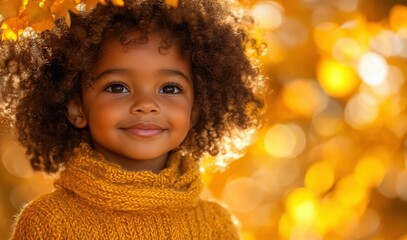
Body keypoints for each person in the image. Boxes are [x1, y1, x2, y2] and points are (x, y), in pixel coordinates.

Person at [0, 0, 265, 239]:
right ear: (77, 107)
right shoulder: (48, 222)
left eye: (170, 88)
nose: (146, 105)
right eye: (117, 87)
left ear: (195, 110)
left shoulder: (214, 225)